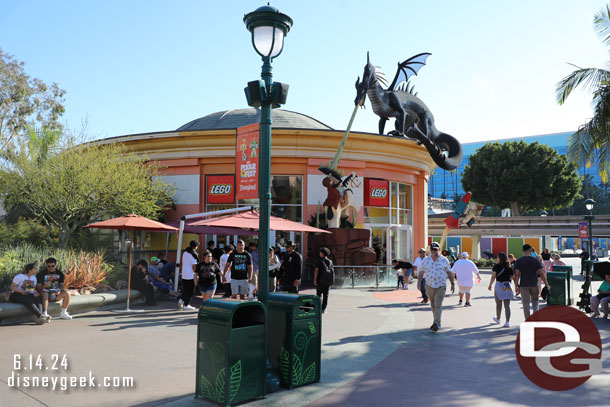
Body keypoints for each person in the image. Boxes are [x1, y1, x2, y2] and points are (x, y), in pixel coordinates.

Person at [419, 242, 455, 332]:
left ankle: (436, 323)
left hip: (440, 286)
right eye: (432, 249)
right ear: (430, 250)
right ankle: (437, 322)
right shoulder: (426, 260)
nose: (434, 251)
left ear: (439, 250)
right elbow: (421, 271)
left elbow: (449, 272)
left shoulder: (444, 260)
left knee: (438, 305)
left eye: (436, 249)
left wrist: (452, 283)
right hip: (429, 285)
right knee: (433, 305)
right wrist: (419, 281)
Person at [514, 244, 549, 319]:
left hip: (523, 285)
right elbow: (541, 273)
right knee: (535, 302)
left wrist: (516, 286)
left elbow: (517, 274)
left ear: (523, 251)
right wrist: (546, 284)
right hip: (534, 284)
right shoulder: (535, 260)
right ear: (530, 250)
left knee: (525, 304)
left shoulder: (519, 261)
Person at [488, 252, 514, 327]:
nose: (497, 258)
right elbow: (512, 277)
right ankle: (507, 321)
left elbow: (493, 276)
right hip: (507, 285)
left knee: (498, 303)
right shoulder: (509, 266)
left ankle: (498, 318)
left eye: (497, 257)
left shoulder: (496, 266)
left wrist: (490, 285)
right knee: (507, 305)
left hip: (499, 285)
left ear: (500, 258)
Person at [178, 240, 199, 310]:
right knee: (190, 291)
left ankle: (181, 300)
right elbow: (194, 266)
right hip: (191, 275)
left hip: (184, 274)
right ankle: (186, 305)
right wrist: (197, 275)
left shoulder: (185, 252)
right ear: (196, 246)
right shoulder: (193, 254)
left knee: (185, 289)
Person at [314, 247, 334, 313]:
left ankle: (318, 307)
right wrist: (332, 281)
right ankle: (323, 309)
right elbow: (332, 271)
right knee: (326, 295)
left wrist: (315, 280)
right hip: (327, 281)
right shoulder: (330, 261)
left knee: (318, 294)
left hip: (320, 280)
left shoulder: (319, 261)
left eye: (320, 252)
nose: (319, 253)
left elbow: (316, 270)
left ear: (322, 253)